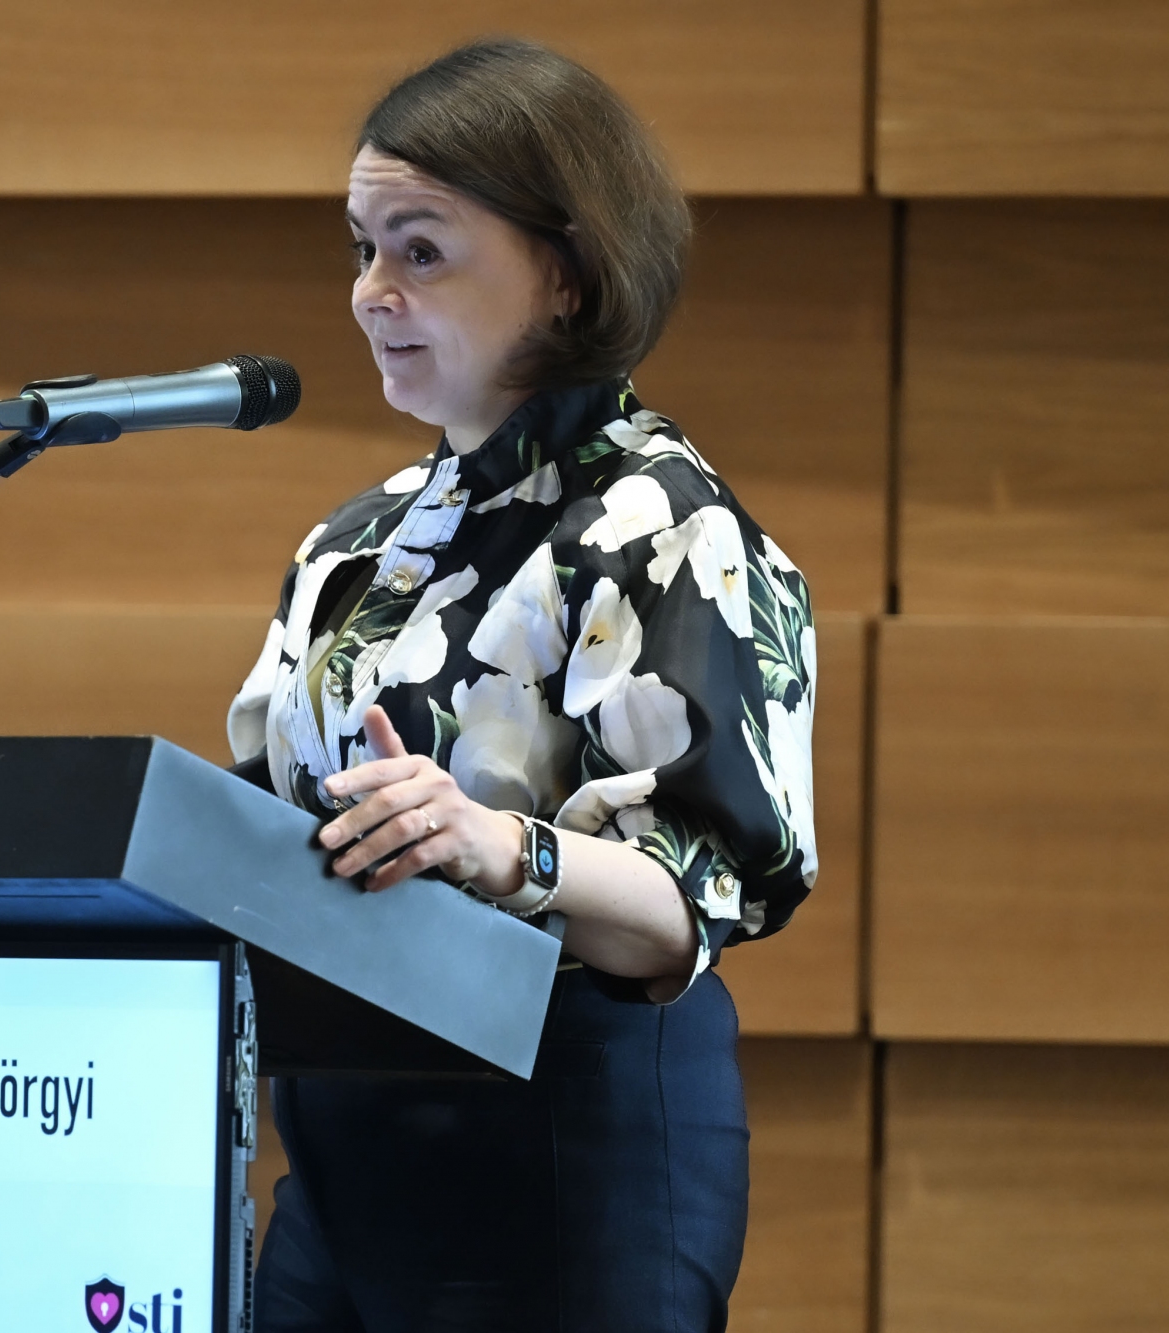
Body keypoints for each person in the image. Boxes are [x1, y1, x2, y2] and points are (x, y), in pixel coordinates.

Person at [226, 38, 818, 1333]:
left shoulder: (666, 526)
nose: (370, 293)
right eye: (362, 247)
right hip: (348, 1159)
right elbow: (263, 828)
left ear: (564, 273)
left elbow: (689, 908)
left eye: (421, 250)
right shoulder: (355, 543)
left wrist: (501, 848)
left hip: (570, 1158)